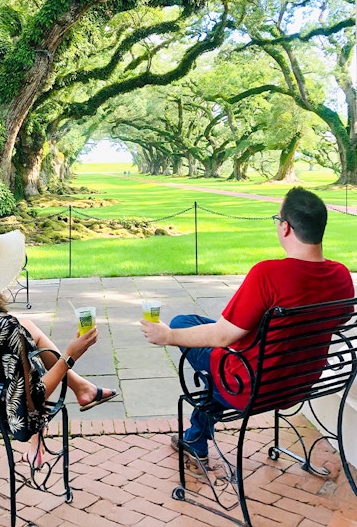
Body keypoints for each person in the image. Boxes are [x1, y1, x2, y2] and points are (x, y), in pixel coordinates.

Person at [141, 187, 354, 468]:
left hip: (249, 388)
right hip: (300, 382)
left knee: (183, 325)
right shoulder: (340, 275)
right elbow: (340, 320)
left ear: (286, 228)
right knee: (215, 342)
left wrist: (167, 335)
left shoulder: (268, 274)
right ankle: (194, 438)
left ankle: (196, 438)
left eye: (277, 219)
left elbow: (223, 335)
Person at [0, 225, 117, 468]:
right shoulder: (3, 328)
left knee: (28, 327)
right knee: (28, 352)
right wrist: (70, 355)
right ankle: (74, 395)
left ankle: (82, 387)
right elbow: (29, 401)